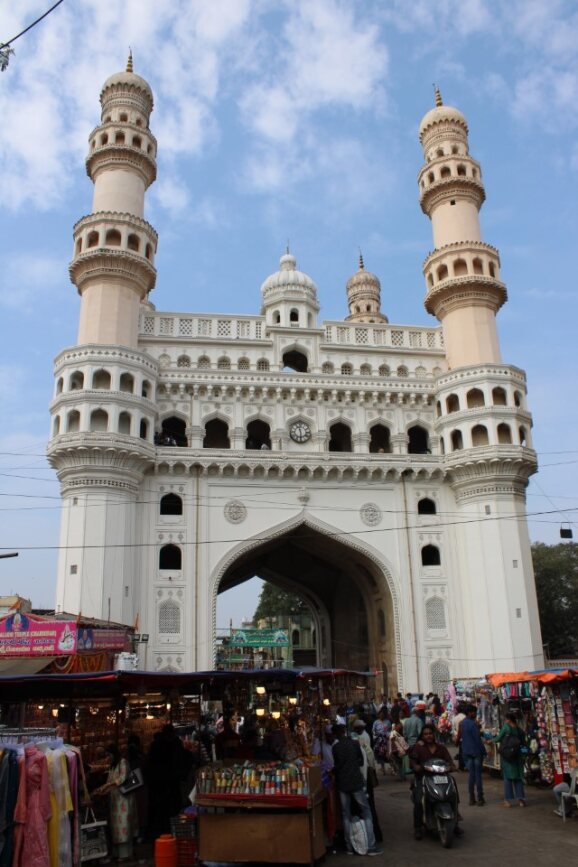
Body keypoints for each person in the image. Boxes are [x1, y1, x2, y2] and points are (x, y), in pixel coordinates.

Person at [331, 724, 382, 856]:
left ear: (335, 734)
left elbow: (337, 765)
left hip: (343, 783)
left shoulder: (335, 747)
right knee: (366, 812)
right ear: (344, 731)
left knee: (345, 814)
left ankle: (349, 847)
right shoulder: (354, 744)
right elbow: (360, 762)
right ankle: (371, 846)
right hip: (356, 782)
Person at [409, 724, 461, 841]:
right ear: (422, 736)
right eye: (426, 734)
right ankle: (417, 827)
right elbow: (412, 762)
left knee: (452, 788)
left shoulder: (441, 748)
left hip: (441, 777)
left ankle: (455, 819)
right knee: (419, 801)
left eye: (430, 734)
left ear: (434, 735)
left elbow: (449, 761)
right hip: (423, 778)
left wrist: (452, 766)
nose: (428, 736)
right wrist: (416, 766)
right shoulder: (418, 747)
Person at [93, 744, 136, 861]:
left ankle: (125, 854)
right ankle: (117, 853)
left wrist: (107, 786)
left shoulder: (123, 762)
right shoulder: (113, 766)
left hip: (123, 799)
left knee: (124, 826)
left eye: (109, 755)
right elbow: (109, 781)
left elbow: (122, 778)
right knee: (116, 827)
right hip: (115, 800)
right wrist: (101, 789)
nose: (108, 757)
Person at [494, 712, 526, 807]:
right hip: (518, 756)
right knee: (518, 778)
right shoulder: (520, 730)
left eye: (505, 719)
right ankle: (521, 800)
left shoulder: (506, 728)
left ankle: (507, 801)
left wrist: (490, 740)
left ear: (508, 720)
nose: (505, 721)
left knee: (507, 778)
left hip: (508, 756)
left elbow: (498, 739)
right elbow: (523, 743)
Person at [458, 705, 486, 805]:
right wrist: (484, 751)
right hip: (476, 752)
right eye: (474, 712)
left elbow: (460, 737)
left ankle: (471, 798)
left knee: (471, 776)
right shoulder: (473, 724)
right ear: (469, 712)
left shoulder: (462, 723)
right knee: (477, 776)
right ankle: (480, 797)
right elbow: (477, 739)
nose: (475, 714)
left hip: (466, 752)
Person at [372, 709, 391, 775]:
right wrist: (376, 735)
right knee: (380, 755)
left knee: (388, 754)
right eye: (380, 714)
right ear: (379, 715)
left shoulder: (388, 722)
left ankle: (392, 768)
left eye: (383, 714)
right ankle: (383, 769)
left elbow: (390, 729)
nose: (382, 716)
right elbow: (373, 731)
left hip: (386, 740)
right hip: (379, 741)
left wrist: (388, 735)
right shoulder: (376, 722)